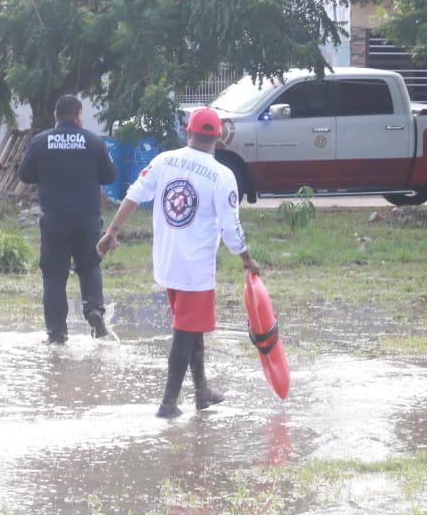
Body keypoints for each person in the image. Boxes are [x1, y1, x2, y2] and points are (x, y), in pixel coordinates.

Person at [97, 107, 259, 418]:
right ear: (218, 139)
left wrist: (112, 232)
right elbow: (230, 227)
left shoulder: (163, 160)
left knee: (191, 328)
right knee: (184, 334)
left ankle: (201, 392)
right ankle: (168, 403)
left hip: (167, 263)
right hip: (195, 270)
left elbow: (133, 194)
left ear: (188, 133)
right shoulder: (223, 176)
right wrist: (246, 258)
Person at [18, 94, 119, 343]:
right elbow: (109, 176)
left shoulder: (41, 142)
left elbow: (25, 175)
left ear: (55, 115)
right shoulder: (94, 142)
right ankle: (94, 311)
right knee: (89, 266)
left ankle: (57, 335)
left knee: (53, 276)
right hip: (87, 220)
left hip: (54, 221)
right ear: (79, 115)